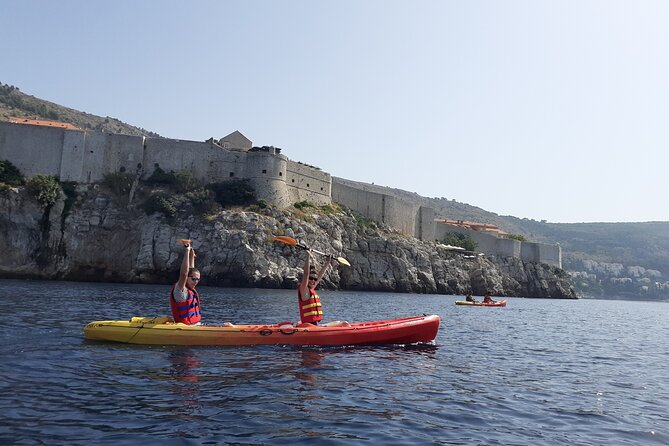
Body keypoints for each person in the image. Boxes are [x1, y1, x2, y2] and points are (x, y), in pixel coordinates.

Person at [297, 249, 349, 327]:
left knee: (343, 323)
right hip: (309, 327)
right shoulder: (304, 290)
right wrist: (308, 255)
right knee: (344, 324)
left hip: (315, 325)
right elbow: (306, 274)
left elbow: (320, 276)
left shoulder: (310, 290)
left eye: (314, 279)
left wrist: (327, 262)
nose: (313, 281)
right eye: (311, 279)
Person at [170, 241, 202, 325]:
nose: (196, 281)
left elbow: (191, 271)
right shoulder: (180, 290)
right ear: (187, 278)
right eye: (194, 279)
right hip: (186, 327)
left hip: (197, 325)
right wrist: (187, 251)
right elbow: (184, 273)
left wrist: (192, 257)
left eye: (198, 279)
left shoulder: (191, 288)